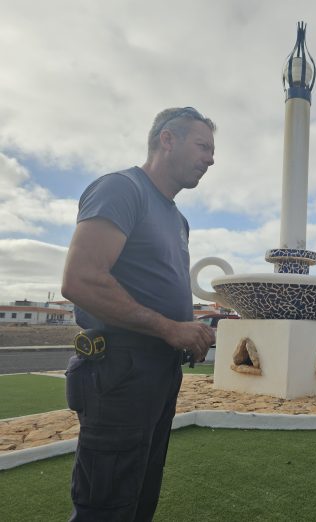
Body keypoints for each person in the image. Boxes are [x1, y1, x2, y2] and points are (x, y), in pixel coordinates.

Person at [61, 106, 217, 521]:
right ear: (167, 139)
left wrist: (189, 330)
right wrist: (170, 328)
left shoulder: (178, 219)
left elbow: (155, 287)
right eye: (203, 146)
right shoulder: (122, 189)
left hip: (159, 371)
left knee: (139, 498)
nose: (211, 159)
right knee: (106, 506)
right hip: (119, 370)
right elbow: (81, 279)